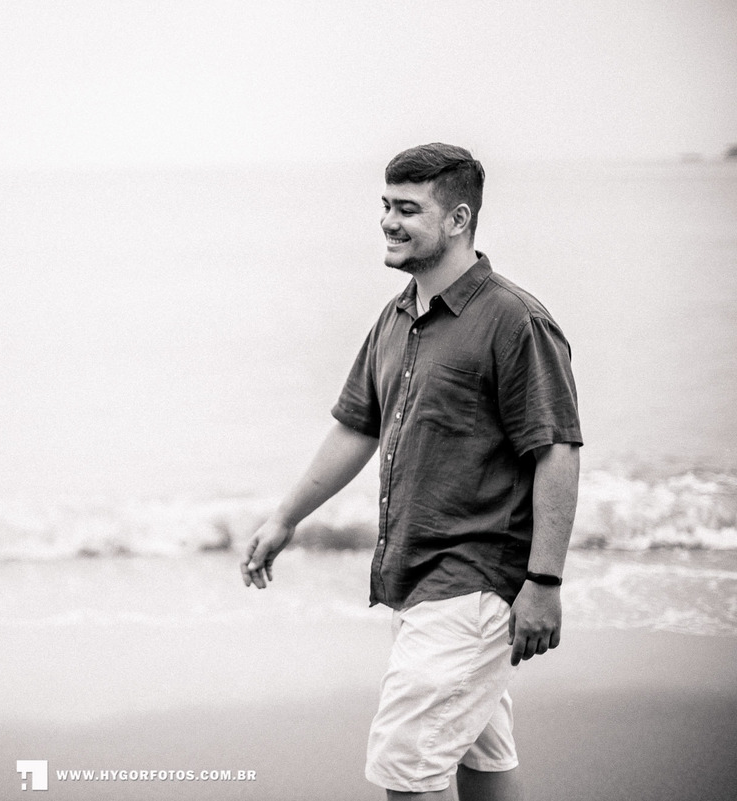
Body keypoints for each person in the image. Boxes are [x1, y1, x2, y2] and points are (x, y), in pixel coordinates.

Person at [240, 143, 582, 800]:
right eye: (385, 206)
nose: (388, 222)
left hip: (474, 582)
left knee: (405, 765)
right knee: (481, 755)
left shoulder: (515, 320)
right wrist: (285, 517)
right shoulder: (399, 315)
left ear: (457, 219)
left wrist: (544, 582)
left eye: (406, 209)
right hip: (416, 580)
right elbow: (357, 426)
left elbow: (557, 450)